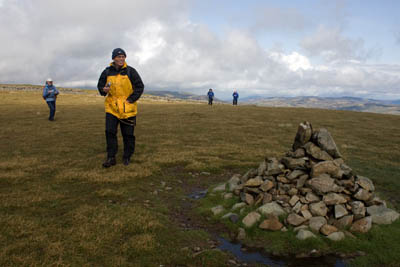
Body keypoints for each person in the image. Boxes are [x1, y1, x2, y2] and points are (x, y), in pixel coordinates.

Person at [97, 48, 144, 168]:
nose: (121, 59)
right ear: (113, 58)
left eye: (123, 56)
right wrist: (103, 90)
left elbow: (139, 86)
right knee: (110, 132)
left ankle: (127, 156)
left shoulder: (130, 71)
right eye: (119, 57)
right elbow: (101, 87)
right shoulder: (107, 72)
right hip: (111, 108)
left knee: (128, 134)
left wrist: (131, 99)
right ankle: (111, 157)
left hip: (128, 108)